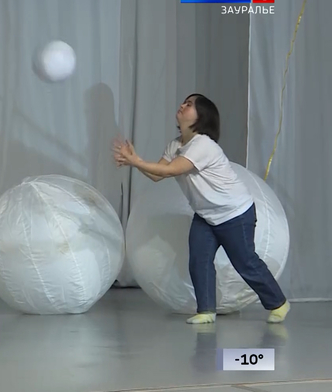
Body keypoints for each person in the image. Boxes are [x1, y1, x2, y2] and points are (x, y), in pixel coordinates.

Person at [112, 93, 290, 325]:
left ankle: (278, 303)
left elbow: (172, 170)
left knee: (245, 262)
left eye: (189, 104)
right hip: (206, 215)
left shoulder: (203, 144)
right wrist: (136, 160)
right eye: (184, 102)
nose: (182, 105)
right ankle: (206, 311)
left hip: (234, 213)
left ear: (202, 116)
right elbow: (157, 175)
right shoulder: (175, 145)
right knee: (199, 260)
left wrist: (135, 161)